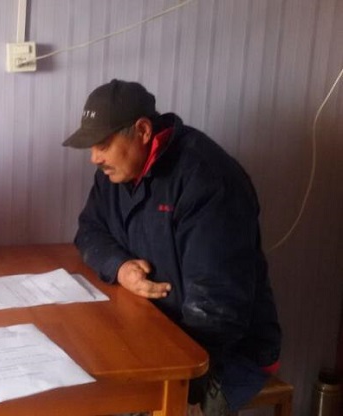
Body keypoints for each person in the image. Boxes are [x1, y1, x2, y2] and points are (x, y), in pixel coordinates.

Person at [63, 79, 282, 415]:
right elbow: (89, 230)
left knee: (122, 398)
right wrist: (120, 267)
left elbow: (217, 310)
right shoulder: (115, 172)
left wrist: (159, 376)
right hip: (152, 327)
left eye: (103, 144)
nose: (94, 158)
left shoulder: (207, 180)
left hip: (223, 352)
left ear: (142, 131)